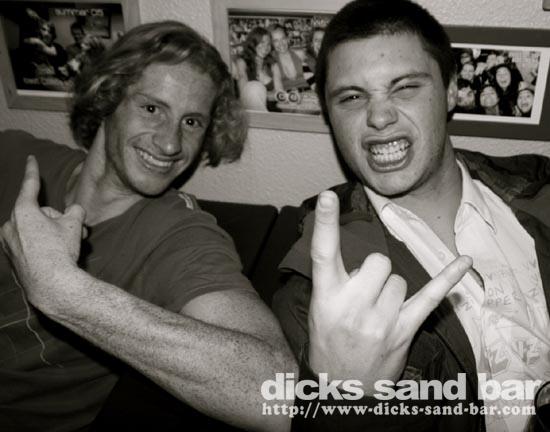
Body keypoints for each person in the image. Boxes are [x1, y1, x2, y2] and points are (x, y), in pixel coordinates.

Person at [0, 21, 296, 432]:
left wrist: (64, 291)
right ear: (108, 97)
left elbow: (277, 394)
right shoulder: (13, 153)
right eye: (152, 109)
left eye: (191, 122)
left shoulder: (180, 235)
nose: (171, 143)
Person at [272, 0, 550, 431]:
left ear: (451, 90)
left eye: (404, 88)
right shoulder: (317, 290)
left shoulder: (540, 187)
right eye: (352, 97)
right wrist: (343, 396)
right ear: (329, 113)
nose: (380, 117)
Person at [234, 27, 284, 111]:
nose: (266, 47)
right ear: (253, 43)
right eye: (262, 42)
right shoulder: (242, 62)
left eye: (268, 44)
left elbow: (280, 94)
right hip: (251, 112)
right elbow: (244, 94)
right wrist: (270, 94)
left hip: (273, 111)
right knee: (254, 88)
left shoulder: (273, 64)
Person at [269, 24, 308, 91]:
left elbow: (312, 79)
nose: (281, 43)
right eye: (276, 41)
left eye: (283, 38)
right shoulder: (272, 61)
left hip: (308, 92)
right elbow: (278, 88)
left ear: (287, 39)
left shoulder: (299, 54)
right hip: (287, 95)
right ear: (272, 43)